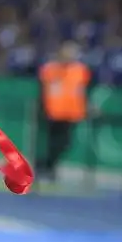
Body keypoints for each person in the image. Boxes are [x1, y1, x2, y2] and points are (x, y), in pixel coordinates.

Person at [37, 41, 91, 182]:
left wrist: (85, 108)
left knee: (65, 143)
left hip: (71, 114)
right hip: (53, 112)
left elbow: (82, 92)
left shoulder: (80, 70)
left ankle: (48, 165)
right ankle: (47, 167)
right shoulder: (50, 69)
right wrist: (43, 108)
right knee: (51, 142)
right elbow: (43, 90)